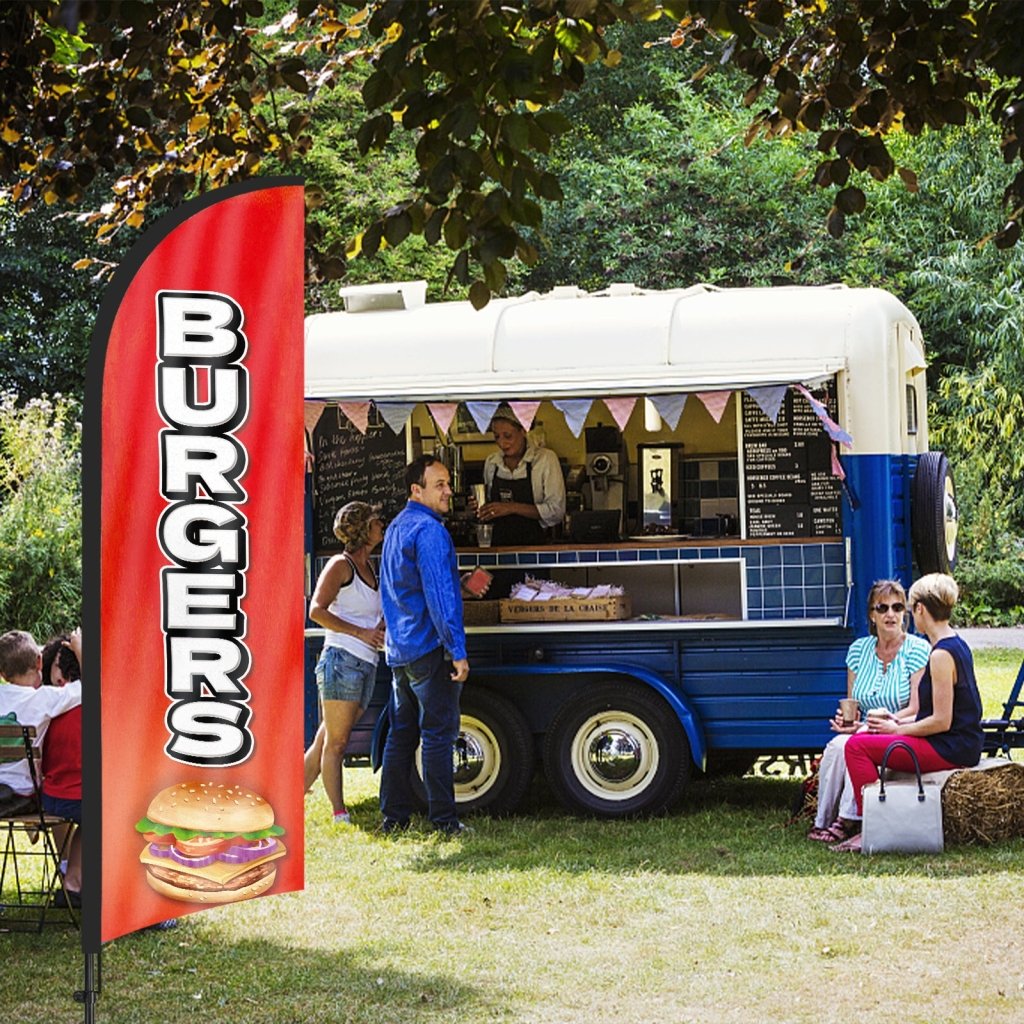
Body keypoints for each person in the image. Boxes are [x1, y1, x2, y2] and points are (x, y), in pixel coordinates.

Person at [834, 572, 984, 853]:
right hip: (959, 742)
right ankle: (873, 818)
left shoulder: (940, 655)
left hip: (951, 747)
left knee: (856, 747)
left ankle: (873, 826)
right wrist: (893, 721)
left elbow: (942, 720)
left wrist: (897, 730)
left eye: (907, 607)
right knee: (864, 741)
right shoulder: (956, 644)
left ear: (920, 609)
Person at [378, 454, 470, 836]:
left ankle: (393, 819)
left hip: (399, 648)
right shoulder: (431, 532)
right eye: (440, 485)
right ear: (416, 490)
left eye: (448, 483)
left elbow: (398, 590)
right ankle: (445, 822)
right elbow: (439, 596)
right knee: (437, 733)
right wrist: (458, 650)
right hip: (428, 647)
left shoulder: (397, 527)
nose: (449, 491)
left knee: (401, 734)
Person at [806, 580, 930, 844]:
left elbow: (917, 709)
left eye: (897, 607)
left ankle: (848, 819)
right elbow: (853, 702)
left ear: (905, 613)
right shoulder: (858, 650)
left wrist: (884, 723)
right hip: (866, 729)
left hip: (901, 728)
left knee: (857, 744)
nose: (890, 614)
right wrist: (847, 720)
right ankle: (823, 819)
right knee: (837, 745)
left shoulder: (917, 649)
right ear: (872, 616)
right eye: (882, 608)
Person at [308, 501, 386, 825]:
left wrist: (378, 627)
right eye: (375, 521)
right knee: (337, 743)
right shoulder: (341, 566)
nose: (381, 524)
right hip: (342, 660)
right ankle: (339, 812)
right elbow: (316, 610)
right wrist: (362, 632)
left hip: (364, 663)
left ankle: (288, 795)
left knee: (326, 738)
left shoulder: (371, 567)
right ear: (364, 530)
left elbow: (368, 612)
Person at [0, 629, 82, 818]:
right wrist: (80, 651)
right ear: (39, 662)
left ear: (3, 674)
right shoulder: (44, 698)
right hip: (24, 796)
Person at [477, 406, 566, 546]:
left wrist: (511, 507)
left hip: (533, 549)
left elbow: (556, 512)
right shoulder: (492, 462)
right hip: (498, 549)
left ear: (524, 430)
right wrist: (481, 507)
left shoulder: (545, 459)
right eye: (496, 436)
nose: (501, 443)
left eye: (508, 436)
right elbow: (490, 508)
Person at [40, 633, 83, 906]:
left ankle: (73, 883)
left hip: (48, 798)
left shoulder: (44, 704)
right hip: (79, 799)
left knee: (90, 822)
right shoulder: (95, 700)